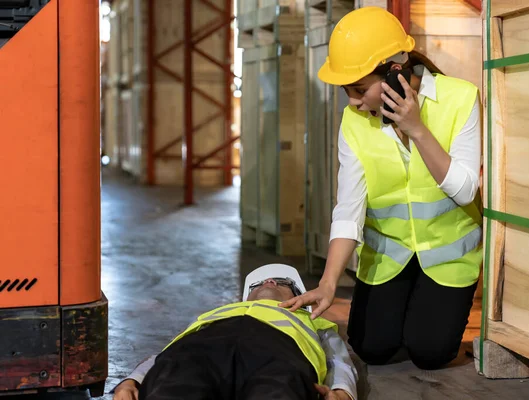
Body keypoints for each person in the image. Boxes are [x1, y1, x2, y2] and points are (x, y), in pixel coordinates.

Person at [280, 7, 482, 370]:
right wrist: (328, 282)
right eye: (347, 92)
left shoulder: (461, 98)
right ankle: (404, 313)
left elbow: (465, 191)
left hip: (448, 259)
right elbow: (349, 208)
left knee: (430, 354)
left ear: (394, 72)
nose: (353, 102)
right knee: (371, 348)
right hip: (389, 259)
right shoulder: (354, 121)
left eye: (359, 90)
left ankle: (423, 318)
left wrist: (417, 129)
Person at [111, 264, 358, 400]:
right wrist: (133, 380)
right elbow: (167, 355)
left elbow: (339, 359)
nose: (269, 282)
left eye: (282, 282)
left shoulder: (312, 320)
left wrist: (343, 393)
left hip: (279, 356)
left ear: (299, 299)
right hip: (201, 351)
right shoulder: (212, 316)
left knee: (277, 393)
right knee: (173, 388)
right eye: (260, 283)